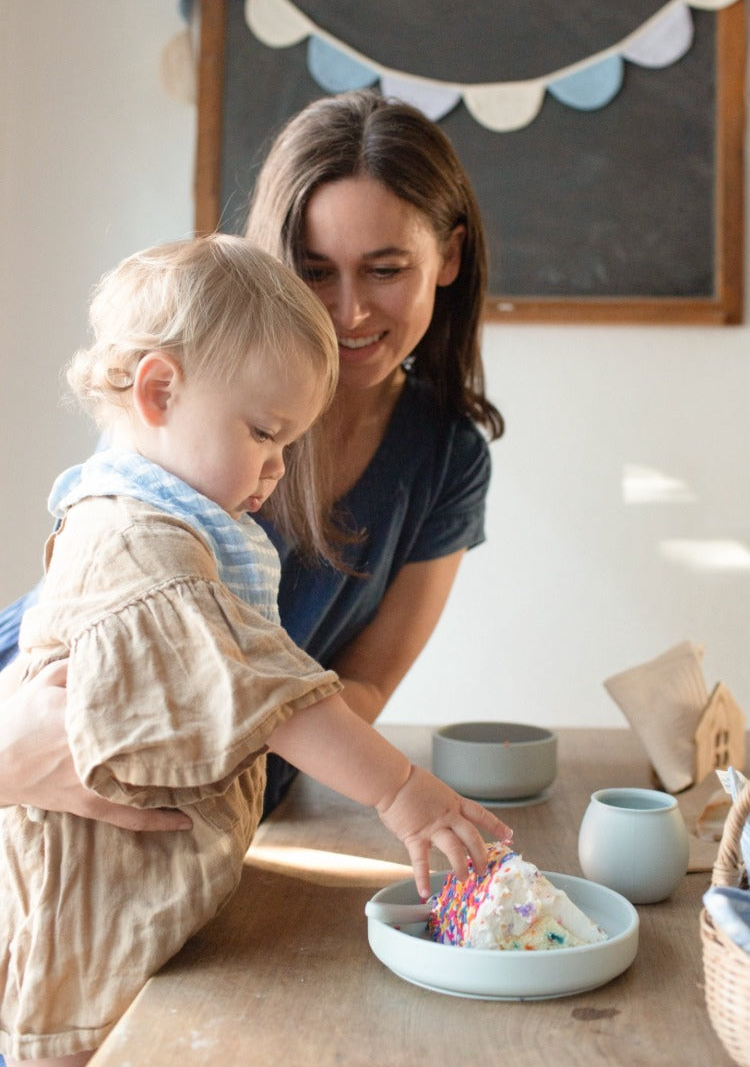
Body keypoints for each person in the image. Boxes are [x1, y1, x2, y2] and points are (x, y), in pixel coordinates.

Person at [0, 234, 510, 1066]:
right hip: (91, 955)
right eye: (265, 434)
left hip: (159, 922)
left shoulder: (188, 513)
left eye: (287, 445)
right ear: (159, 390)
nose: (275, 469)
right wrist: (403, 794)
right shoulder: (140, 544)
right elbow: (272, 690)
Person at [0, 88, 505, 826]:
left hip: (219, 785)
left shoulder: (447, 456)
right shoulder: (201, 403)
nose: (347, 312)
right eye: (315, 270)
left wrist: (225, 753)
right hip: (46, 726)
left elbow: (359, 689)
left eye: (385, 270)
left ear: (449, 255)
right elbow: (88, 624)